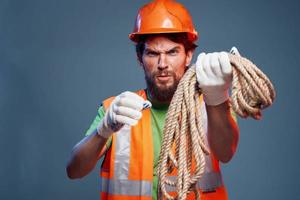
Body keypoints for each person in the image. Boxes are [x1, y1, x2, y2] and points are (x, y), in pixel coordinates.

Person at [66, 0, 239, 199]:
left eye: (172, 52)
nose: (162, 63)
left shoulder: (210, 105)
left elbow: (226, 153)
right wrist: (103, 131)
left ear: (189, 55)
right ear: (140, 59)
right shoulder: (116, 109)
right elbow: (74, 170)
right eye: (152, 53)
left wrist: (217, 97)